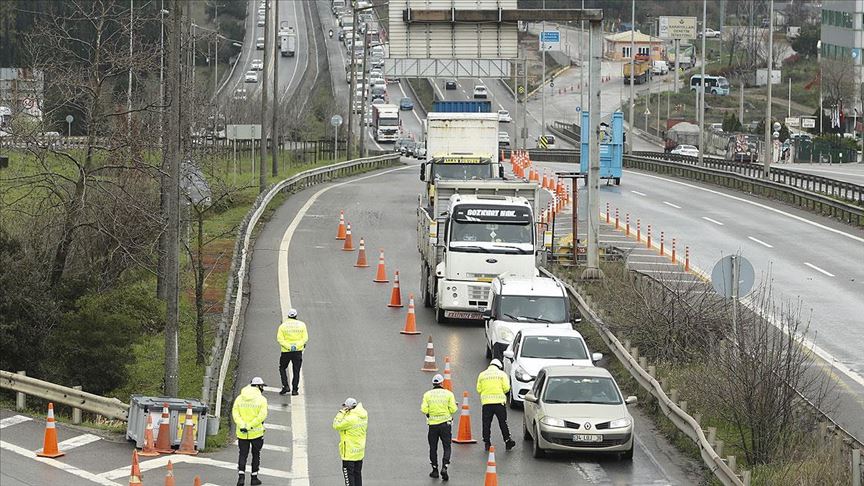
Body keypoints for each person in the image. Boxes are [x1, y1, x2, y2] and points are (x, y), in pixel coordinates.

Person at [232, 377, 269, 486]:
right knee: (256, 454)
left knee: (242, 454)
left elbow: (235, 414)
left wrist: (243, 425)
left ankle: (241, 477)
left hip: (242, 433)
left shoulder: (239, 398)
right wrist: (250, 425)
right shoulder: (262, 400)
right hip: (256, 433)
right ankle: (254, 478)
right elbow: (262, 416)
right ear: (258, 386)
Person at [421, 374, 457, 481]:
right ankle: (445, 467)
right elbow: (453, 409)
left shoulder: (427, 395)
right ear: (442, 383)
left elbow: (424, 409)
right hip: (445, 425)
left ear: (433, 384)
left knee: (433, 447)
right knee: (447, 447)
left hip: (433, 426)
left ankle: (435, 470)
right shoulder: (449, 394)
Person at [476, 359, 515, 452]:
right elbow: (506, 388)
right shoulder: (502, 374)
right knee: (503, 422)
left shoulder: (482, 375)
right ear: (499, 366)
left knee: (486, 423)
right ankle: (507, 441)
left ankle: (487, 442)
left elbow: (479, 389)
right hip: (499, 403)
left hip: (486, 403)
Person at [332, 397, 368, 486]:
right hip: (359, 452)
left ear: (348, 408)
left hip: (349, 454)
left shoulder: (350, 419)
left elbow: (336, 425)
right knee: (357, 475)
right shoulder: (363, 415)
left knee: (349, 478)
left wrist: (342, 412)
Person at [276, 308, 308, 395]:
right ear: (296, 316)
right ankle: (295, 390)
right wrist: (296, 347)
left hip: (286, 351)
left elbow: (280, 339)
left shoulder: (283, 326)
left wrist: (289, 347)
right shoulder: (302, 325)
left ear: (288, 316)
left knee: (282, 368)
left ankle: (285, 386)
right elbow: (305, 338)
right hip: (297, 351)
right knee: (296, 370)